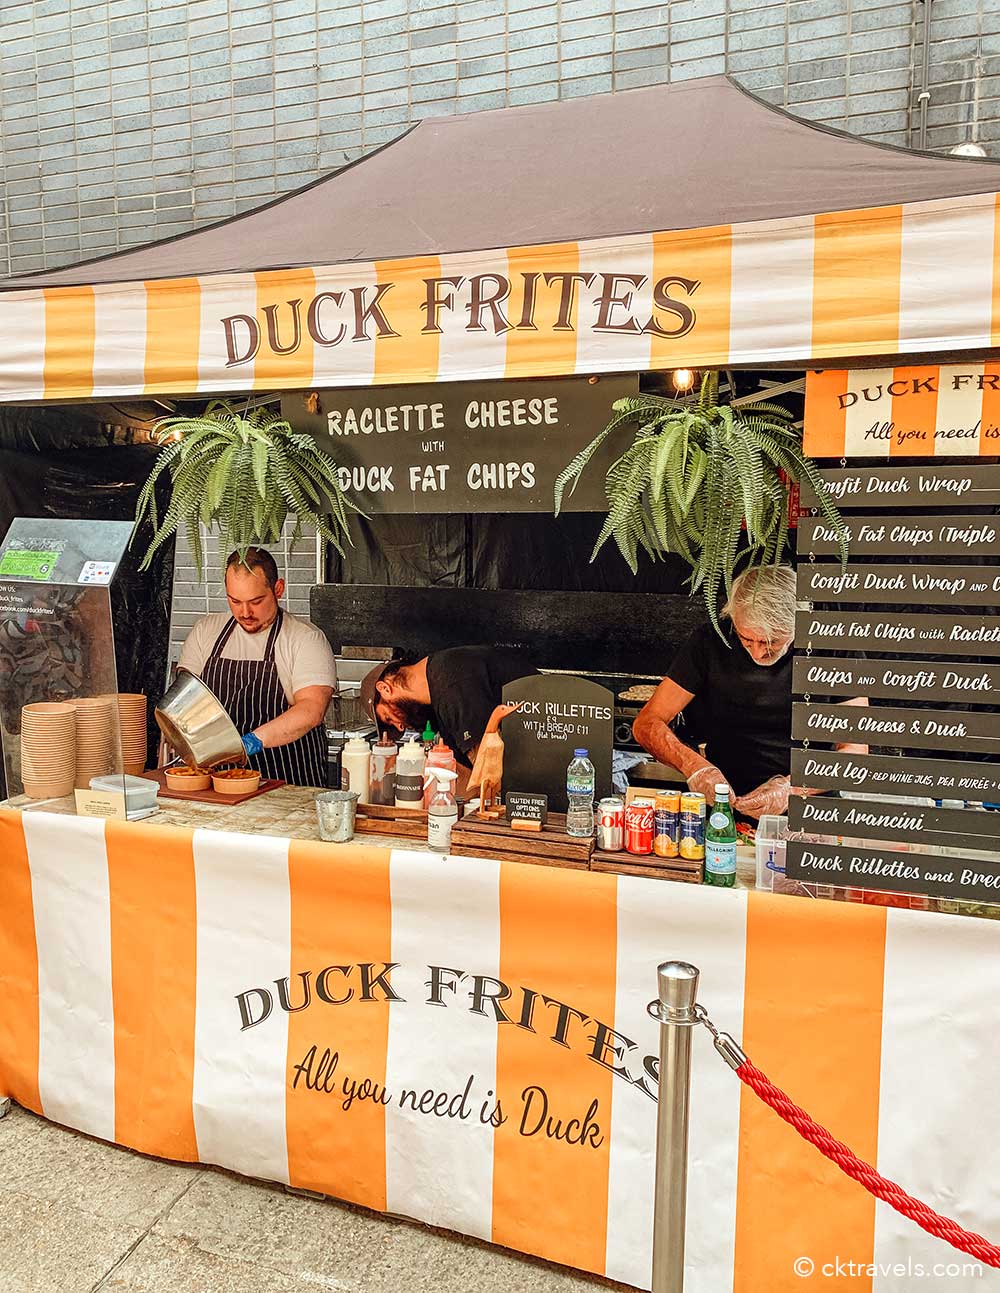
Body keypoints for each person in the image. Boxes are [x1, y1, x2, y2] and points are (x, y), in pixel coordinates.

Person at [632, 565, 866, 820]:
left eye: (772, 641)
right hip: (724, 807)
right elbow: (647, 724)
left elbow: (855, 753)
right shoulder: (711, 641)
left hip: (811, 809)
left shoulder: (835, 647)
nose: (757, 653)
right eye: (746, 640)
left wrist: (793, 788)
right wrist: (694, 767)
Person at [176, 547, 336, 787]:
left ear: (278, 589)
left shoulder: (305, 639)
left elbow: (311, 709)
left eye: (256, 601)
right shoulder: (206, 632)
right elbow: (185, 698)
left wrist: (249, 743)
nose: (245, 612)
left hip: (288, 783)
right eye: (235, 601)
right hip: (218, 783)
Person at [359, 644, 537, 783]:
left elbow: (487, 773)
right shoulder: (437, 695)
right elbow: (467, 777)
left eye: (388, 717)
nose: (399, 726)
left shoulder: (450, 684)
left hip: (545, 754)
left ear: (384, 688)